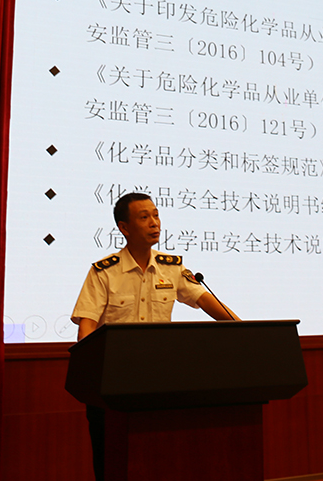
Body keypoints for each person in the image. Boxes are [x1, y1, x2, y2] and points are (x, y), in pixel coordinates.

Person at [71, 192, 239, 481]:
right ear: (124, 227)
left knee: (159, 458)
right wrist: (90, 374)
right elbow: (86, 327)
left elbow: (205, 300)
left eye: (156, 215)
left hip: (159, 380)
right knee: (113, 462)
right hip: (113, 384)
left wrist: (243, 330)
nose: (154, 223)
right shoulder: (104, 272)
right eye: (144, 217)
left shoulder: (171, 268)